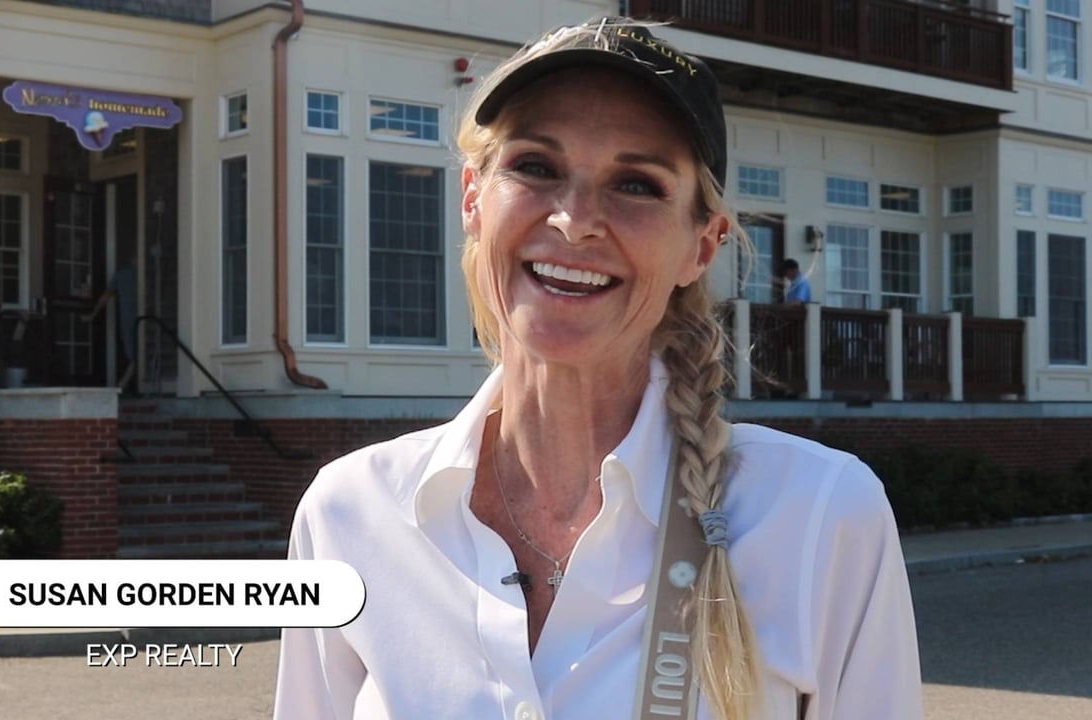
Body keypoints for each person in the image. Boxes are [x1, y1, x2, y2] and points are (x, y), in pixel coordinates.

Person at [274, 17, 921, 720]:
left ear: (701, 247)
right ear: (472, 200)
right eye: (536, 167)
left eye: (636, 184)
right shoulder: (348, 513)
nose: (575, 220)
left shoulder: (822, 515)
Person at [83, 261, 138, 391]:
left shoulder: (122, 275)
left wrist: (93, 314)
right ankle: (122, 386)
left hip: (132, 320)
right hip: (132, 320)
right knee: (136, 355)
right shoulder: (125, 275)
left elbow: (105, 297)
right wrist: (93, 314)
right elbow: (106, 296)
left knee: (137, 356)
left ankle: (121, 386)